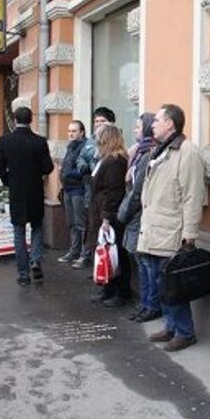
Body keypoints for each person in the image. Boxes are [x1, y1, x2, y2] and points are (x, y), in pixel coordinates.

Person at [138, 104, 205, 352]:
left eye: (156, 120)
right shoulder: (162, 150)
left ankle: (185, 332)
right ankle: (171, 326)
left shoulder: (187, 152)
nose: (152, 124)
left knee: (173, 284)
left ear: (170, 124)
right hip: (156, 227)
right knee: (159, 281)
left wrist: (190, 235)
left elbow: (193, 195)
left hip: (172, 230)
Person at [0, 107, 54, 285]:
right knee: (36, 226)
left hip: (16, 191)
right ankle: (35, 259)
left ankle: (22, 273)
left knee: (19, 230)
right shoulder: (39, 141)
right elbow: (48, 167)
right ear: (31, 120)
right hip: (35, 190)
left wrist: (8, 181)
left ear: (14, 120)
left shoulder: (5, 141)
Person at [117, 112, 158, 322]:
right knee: (140, 261)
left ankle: (150, 304)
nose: (134, 130)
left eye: (138, 127)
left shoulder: (148, 154)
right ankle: (145, 303)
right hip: (135, 214)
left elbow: (137, 190)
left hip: (139, 215)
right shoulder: (139, 152)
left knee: (144, 262)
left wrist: (123, 213)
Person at [86, 123, 130, 306]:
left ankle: (121, 292)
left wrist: (106, 218)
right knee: (107, 250)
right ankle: (108, 288)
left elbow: (114, 192)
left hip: (109, 214)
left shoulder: (115, 161)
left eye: (99, 137)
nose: (96, 141)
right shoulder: (107, 159)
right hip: (102, 210)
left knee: (116, 252)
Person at [71, 106, 116, 269]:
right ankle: (94, 261)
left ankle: (104, 265)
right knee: (90, 225)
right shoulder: (90, 142)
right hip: (91, 191)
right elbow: (80, 159)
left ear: (110, 123)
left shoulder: (114, 143)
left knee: (102, 230)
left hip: (105, 195)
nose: (98, 124)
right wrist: (85, 166)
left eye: (102, 121)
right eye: (96, 121)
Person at [58, 120, 88, 265]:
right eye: (69, 131)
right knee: (71, 222)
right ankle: (74, 251)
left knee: (80, 223)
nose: (70, 134)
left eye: (74, 131)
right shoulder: (71, 146)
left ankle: (84, 254)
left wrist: (68, 173)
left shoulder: (85, 147)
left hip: (78, 190)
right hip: (68, 189)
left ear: (81, 132)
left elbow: (84, 168)